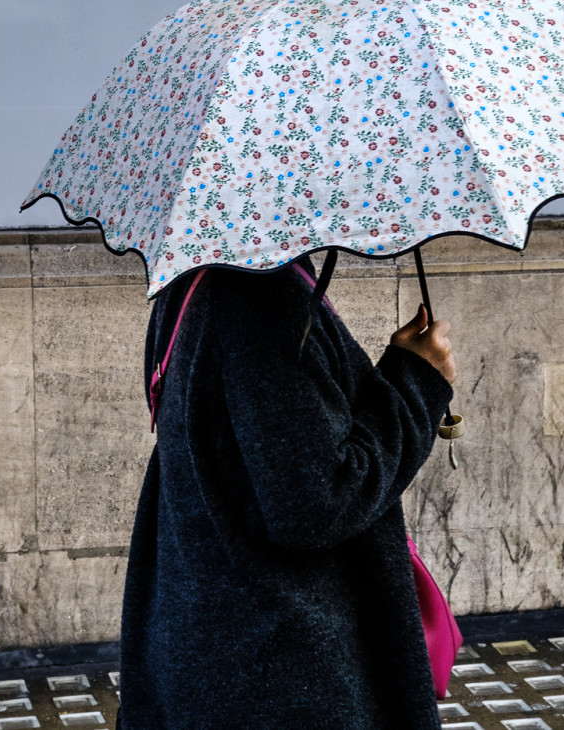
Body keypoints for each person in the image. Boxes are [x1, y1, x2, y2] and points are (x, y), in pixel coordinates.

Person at [118, 253, 458, 729]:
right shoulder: (260, 294)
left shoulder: (198, 278)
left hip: (221, 649)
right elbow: (316, 502)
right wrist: (416, 382)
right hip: (283, 670)